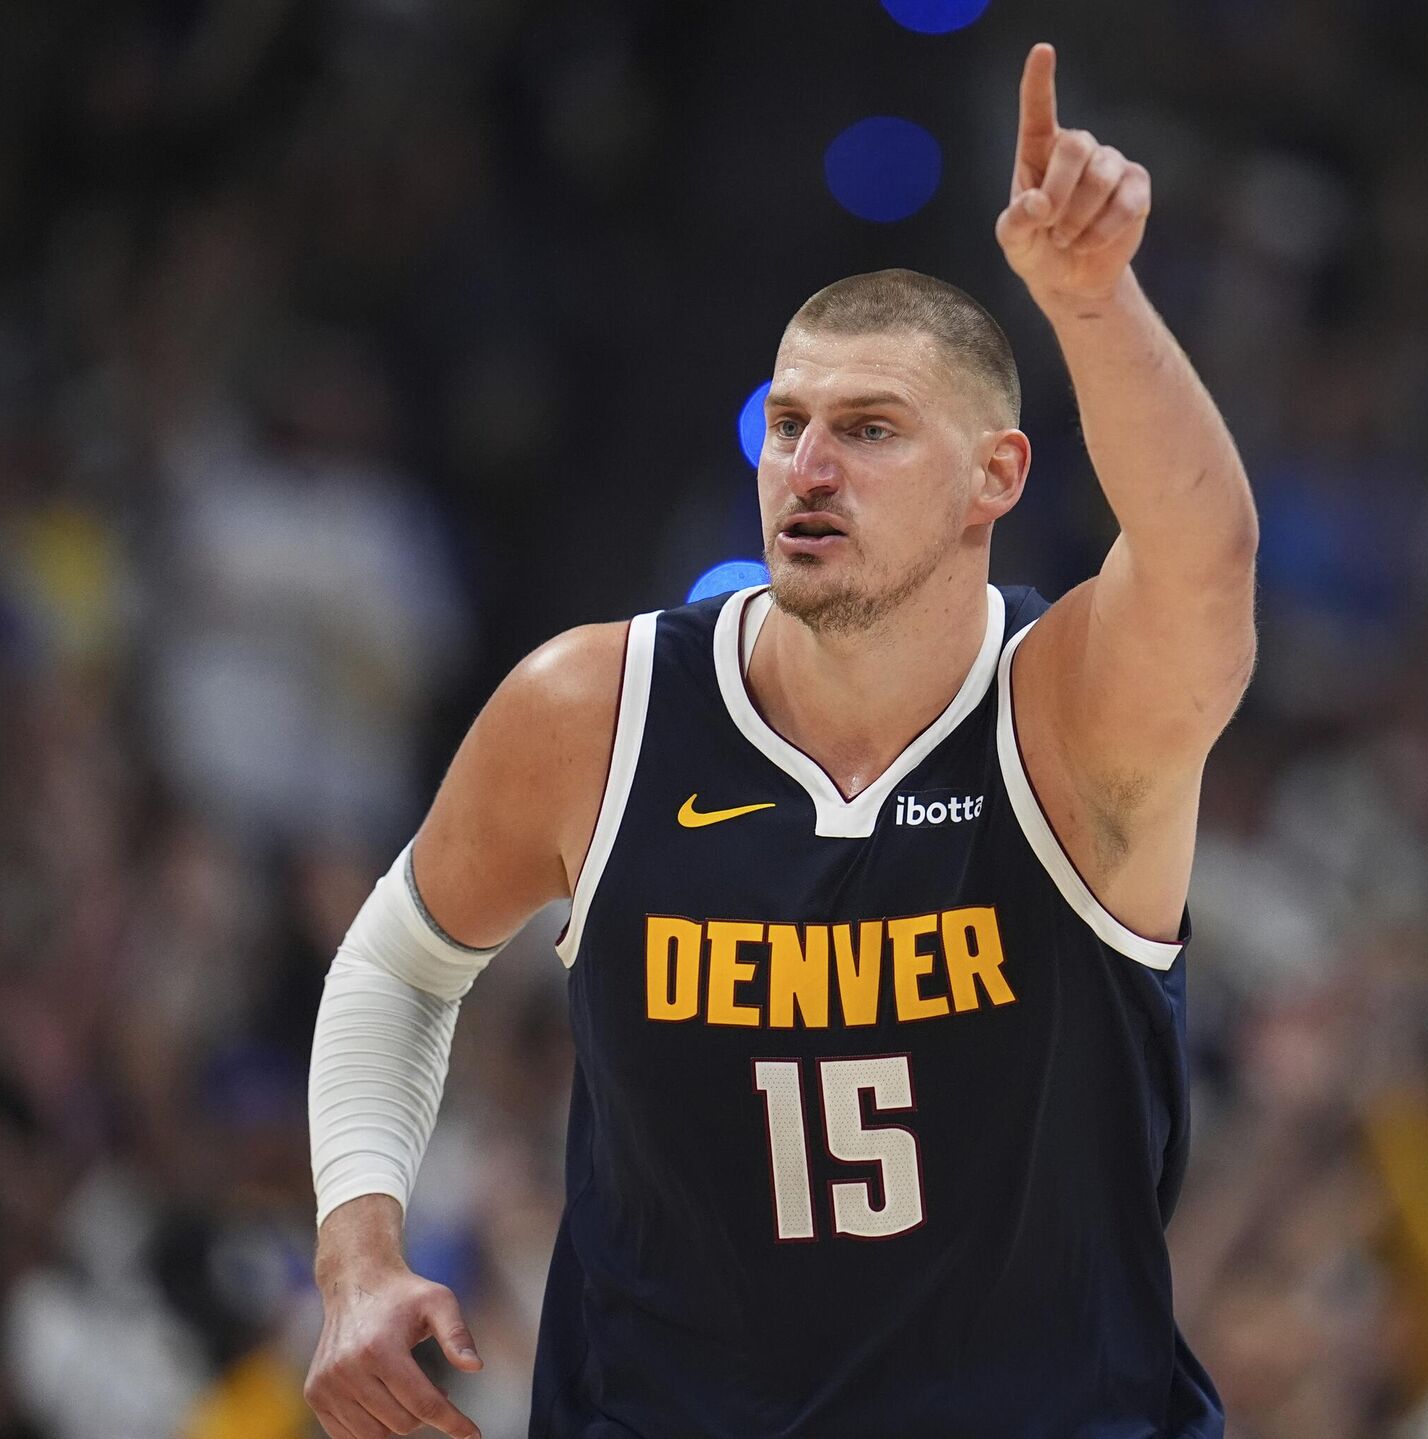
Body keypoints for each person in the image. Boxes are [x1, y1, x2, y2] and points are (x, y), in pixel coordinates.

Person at [303, 42, 1257, 1439]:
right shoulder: (596, 709)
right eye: (789, 425)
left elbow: (1203, 561)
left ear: (994, 477)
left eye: (869, 431)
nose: (808, 468)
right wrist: (355, 1254)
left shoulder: (1070, 717)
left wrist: (1092, 301)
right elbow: (399, 959)